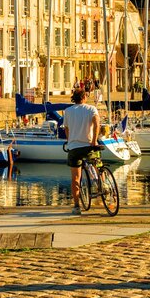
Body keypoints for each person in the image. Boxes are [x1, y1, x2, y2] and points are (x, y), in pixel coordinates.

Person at [62, 88, 101, 216]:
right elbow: (96, 124)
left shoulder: (67, 111)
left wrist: (70, 141)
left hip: (74, 148)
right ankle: (102, 185)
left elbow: (66, 129)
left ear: (74, 98)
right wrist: (94, 141)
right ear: (84, 97)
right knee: (97, 164)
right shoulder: (91, 109)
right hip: (88, 145)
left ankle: (77, 206)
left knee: (75, 178)